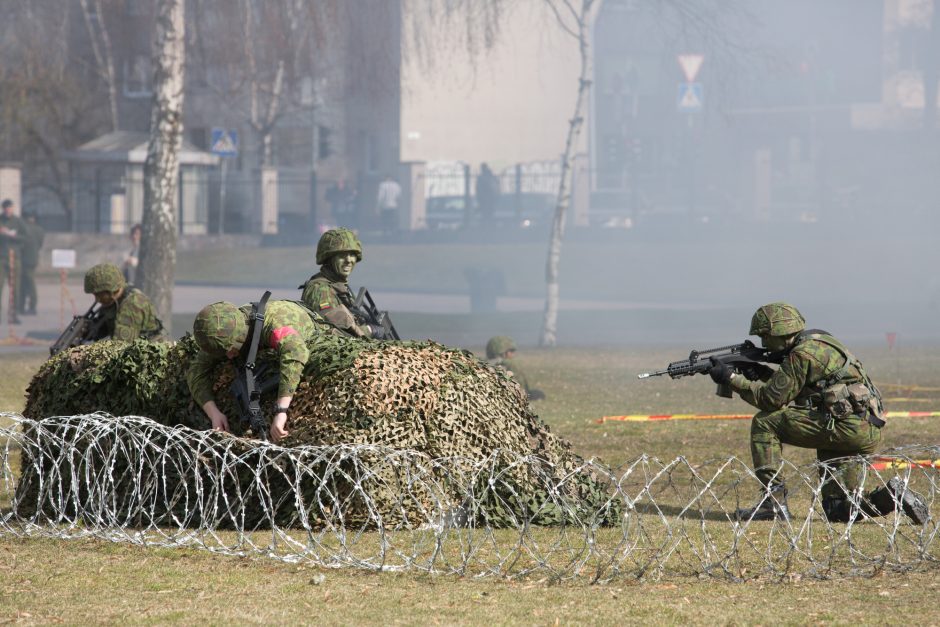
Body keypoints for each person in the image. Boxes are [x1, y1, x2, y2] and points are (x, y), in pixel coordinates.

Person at [708, 302, 928, 524]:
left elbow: (771, 400)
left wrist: (731, 379)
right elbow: (800, 387)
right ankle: (892, 496)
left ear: (779, 332)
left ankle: (772, 503)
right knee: (839, 511)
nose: (763, 343)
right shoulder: (820, 341)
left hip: (844, 426)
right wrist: (762, 372)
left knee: (765, 423)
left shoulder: (801, 354)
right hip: (861, 428)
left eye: (765, 336)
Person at [187, 299, 322, 443]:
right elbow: (196, 372)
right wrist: (214, 413)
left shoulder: (273, 324)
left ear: (240, 336)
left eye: (230, 350)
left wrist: (281, 410)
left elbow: (295, 352)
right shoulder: (221, 333)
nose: (228, 356)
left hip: (315, 329)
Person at [299, 227, 386, 339]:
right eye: (342, 255)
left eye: (352, 254)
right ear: (328, 258)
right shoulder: (321, 290)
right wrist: (369, 330)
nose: (349, 260)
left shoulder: (338, 287)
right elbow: (332, 335)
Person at [83, 262, 163, 341]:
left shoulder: (132, 304)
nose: (97, 299)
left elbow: (120, 346)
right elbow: (105, 328)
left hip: (150, 351)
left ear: (111, 291)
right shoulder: (114, 303)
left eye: (99, 294)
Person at [486, 335, 545, 401]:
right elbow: (521, 392)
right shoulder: (508, 365)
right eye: (511, 351)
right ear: (502, 352)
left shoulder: (486, 364)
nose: (513, 354)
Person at [0, 199, 26, 324]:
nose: (7, 210)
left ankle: (13, 315)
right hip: (1, 258)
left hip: (15, 258)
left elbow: (26, 237)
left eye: (9, 208)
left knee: (15, 287)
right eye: (5, 208)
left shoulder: (18, 221)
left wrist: (13, 236)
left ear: (13, 208)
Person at [17, 210, 44, 315]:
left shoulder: (24, 229)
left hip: (24, 259)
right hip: (33, 259)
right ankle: (30, 306)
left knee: (24, 284)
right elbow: (40, 244)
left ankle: (24, 306)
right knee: (29, 283)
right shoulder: (40, 230)